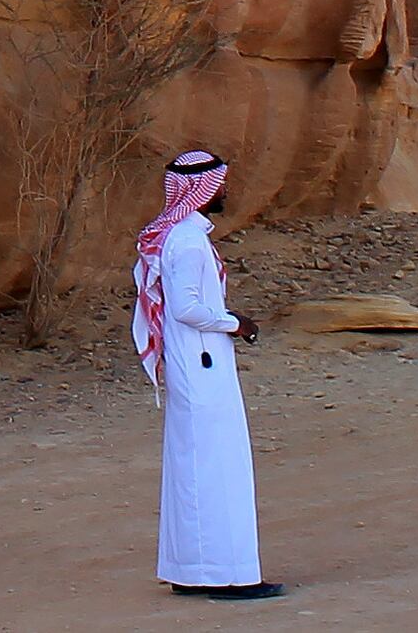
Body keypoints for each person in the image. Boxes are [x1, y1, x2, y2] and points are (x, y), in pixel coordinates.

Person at [129, 150, 282, 600]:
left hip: (196, 363)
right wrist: (236, 322)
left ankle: (192, 570)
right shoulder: (189, 242)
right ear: (204, 188)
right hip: (201, 366)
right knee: (218, 466)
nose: (225, 192)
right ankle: (230, 576)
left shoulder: (183, 237)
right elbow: (187, 307)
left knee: (194, 466)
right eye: (220, 184)